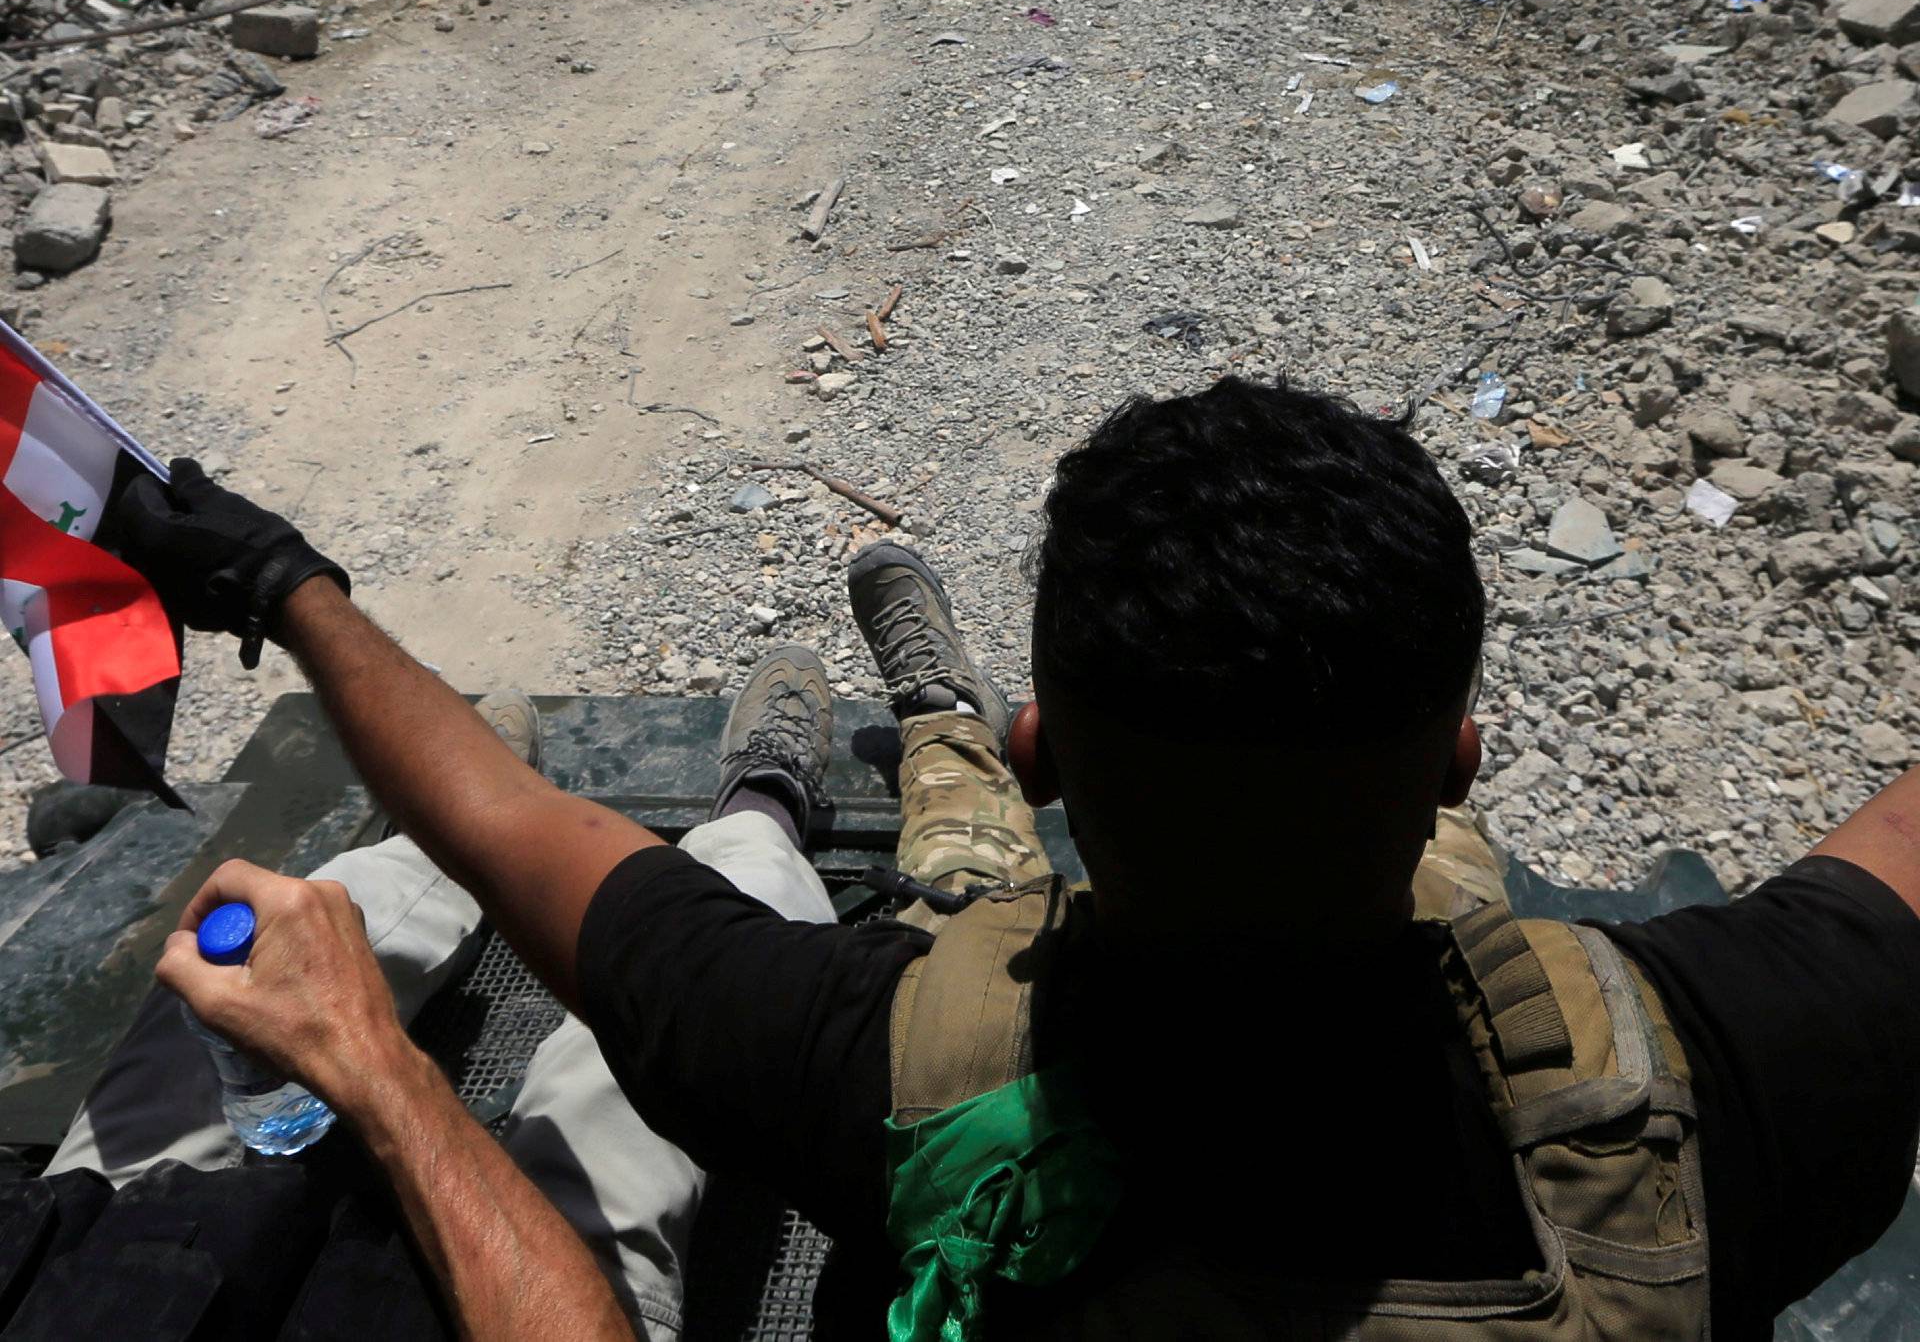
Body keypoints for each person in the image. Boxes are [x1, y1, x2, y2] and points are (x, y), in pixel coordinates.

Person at [108, 379, 1920, 1341]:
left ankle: (947, 723)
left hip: (1051, 932)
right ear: (1460, 752)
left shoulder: (881, 1074)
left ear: (1066, 762)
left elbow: (508, 820)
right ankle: (953, 707)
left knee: (970, 915)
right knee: (1472, 908)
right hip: (1411, 902)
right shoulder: (1720, 1071)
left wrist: (287, 581)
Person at [46, 460, 852, 1339]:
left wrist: (281, 587)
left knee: (242, 957)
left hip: (92, 1254)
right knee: (690, 993)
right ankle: (759, 816)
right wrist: (372, 1062)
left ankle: (438, 840)